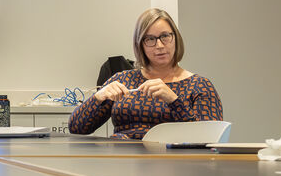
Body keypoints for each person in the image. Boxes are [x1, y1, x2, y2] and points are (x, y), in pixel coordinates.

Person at [69, 8, 222, 139]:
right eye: (150, 39)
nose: (159, 45)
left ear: (175, 38)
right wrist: (98, 97)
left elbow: (209, 138)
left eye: (165, 36)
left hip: (172, 165)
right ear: (140, 45)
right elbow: (77, 128)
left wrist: (173, 101)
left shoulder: (199, 86)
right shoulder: (122, 80)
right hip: (122, 163)